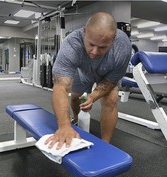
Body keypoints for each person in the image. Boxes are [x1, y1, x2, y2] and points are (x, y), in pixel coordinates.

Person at [45, 12, 132, 149]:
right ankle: (75, 118)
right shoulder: (72, 43)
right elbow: (61, 87)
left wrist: (93, 96)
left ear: (114, 39)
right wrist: (64, 126)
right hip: (82, 71)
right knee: (75, 98)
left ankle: (105, 145)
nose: (95, 52)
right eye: (91, 44)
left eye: (103, 47)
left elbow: (110, 81)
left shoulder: (123, 46)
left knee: (111, 99)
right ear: (84, 32)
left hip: (107, 74)